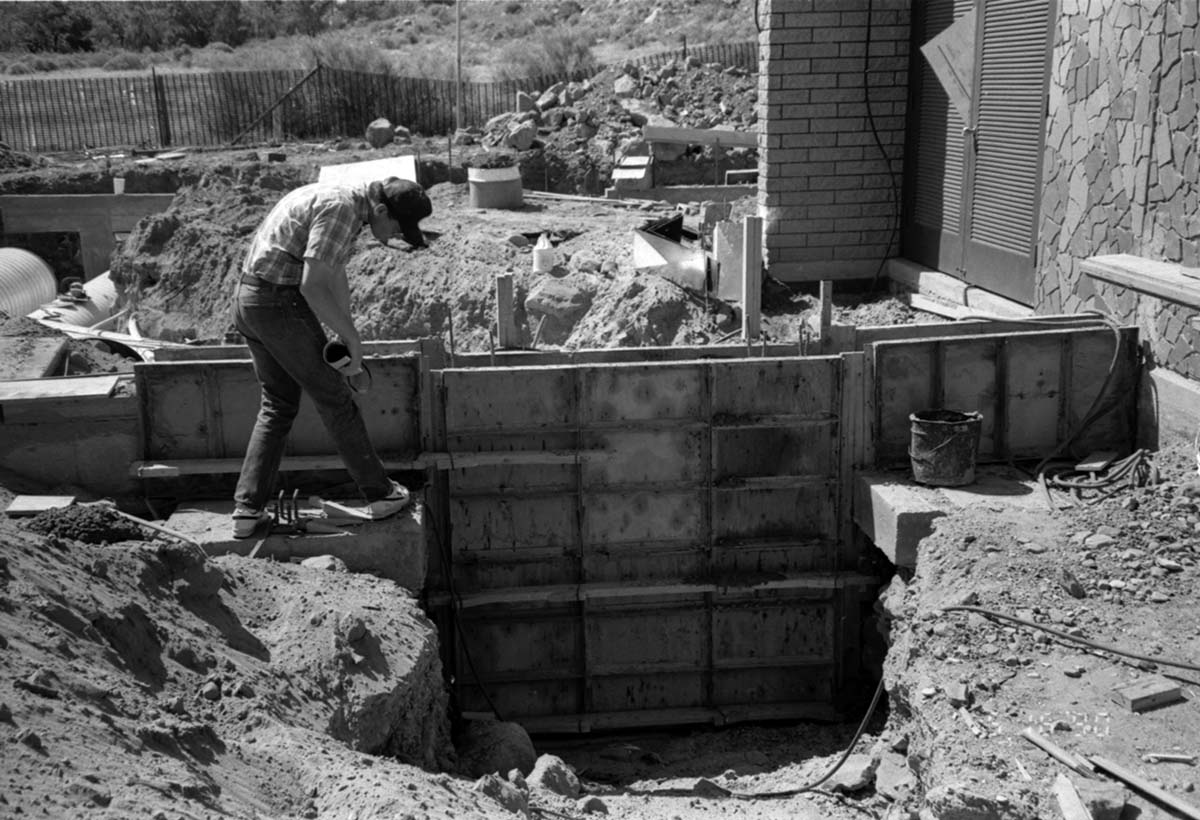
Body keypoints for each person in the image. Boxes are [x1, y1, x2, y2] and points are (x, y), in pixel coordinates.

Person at [230, 176, 432, 538]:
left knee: (278, 403)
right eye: (397, 228)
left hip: (250, 301)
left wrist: (346, 331)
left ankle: (247, 511)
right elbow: (311, 285)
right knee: (335, 398)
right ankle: (380, 493)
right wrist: (350, 336)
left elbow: (333, 272)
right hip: (278, 302)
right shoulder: (341, 211)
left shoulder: (340, 201)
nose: (395, 237)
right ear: (381, 210)